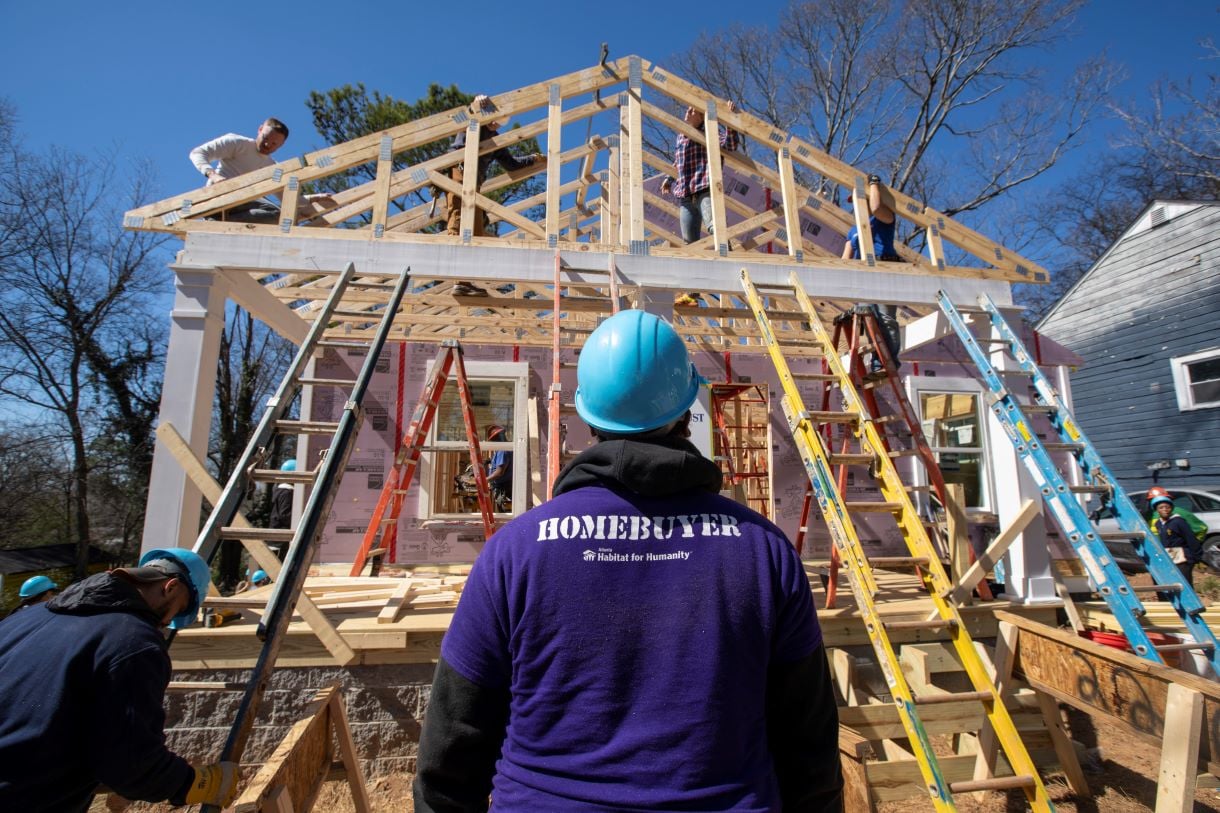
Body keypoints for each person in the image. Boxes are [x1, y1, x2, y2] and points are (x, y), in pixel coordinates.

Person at [414, 309, 842, 812]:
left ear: (588, 415)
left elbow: (451, 751)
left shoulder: (515, 552)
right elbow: (809, 750)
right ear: (688, 410)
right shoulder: (764, 552)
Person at [0, 548, 238, 812]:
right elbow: (131, 764)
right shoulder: (134, 643)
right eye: (178, 609)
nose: (167, 622)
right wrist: (196, 783)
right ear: (170, 587)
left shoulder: (23, 619)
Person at [445, 95, 541, 295]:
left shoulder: (495, 140)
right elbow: (469, 114)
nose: (496, 123)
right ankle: (460, 280)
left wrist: (534, 159)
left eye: (500, 120)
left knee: (476, 233)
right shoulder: (473, 125)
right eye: (495, 117)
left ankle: (466, 282)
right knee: (459, 224)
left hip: (474, 188)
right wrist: (478, 102)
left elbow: (512, 164)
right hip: (458, 178)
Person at [661, 101, 741, 306]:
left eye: (693, 109)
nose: (688, 111)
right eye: (687, 108)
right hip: (686, 196)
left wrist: (729, 120)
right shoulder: (681, 136)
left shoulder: (710, 132)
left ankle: (730, 264)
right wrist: (670, 180)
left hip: (705, 188)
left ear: (701, 116)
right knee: (690, 244)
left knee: (715, 229)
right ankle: (691, 294)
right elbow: (679, 164)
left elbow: (730, 145)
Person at [189, 118, 334, 223]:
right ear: (259, 130)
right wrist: (212, 175)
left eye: (274, 144)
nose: (267, 145)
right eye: (265, 138)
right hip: (219, 199)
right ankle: (214, 219)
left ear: (281, 145)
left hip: (241, 207)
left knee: (282, 216)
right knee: (271, 208)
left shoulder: (273, 169)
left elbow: (287, 198)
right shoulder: (238, 143)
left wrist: (314, 197)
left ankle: (221, 224)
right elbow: (197, 153)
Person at [842, 174, 902, 371]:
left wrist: (874, 183)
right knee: (870, 321)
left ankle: (889, 362)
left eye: (861, 199)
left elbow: (877, 207)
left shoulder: (884, 218)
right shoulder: (853, 231)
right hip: (863, 275)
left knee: (886, 319)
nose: (857, 206)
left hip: (884, 268)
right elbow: (844, 259)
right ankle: (878, 362)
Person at [1151, 495, 1202, 589]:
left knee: (1184, 583)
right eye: (1161, 507)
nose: (1165, 510)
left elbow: (1190, 538)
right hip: (1170, 556)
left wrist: (1196, 556)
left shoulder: (1178, 522)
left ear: (1171, 508)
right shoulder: (1159, 523)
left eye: (1167, 507)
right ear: (1156, 510)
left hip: (1183, 556)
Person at [484, 425, 513, 511]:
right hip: (506, 487)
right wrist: (490, 461)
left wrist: (484, 480)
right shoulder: (507, 448)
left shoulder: (502, 450)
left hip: (503, 489)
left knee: (505, 513)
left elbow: (499, 472)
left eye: (493, 441)